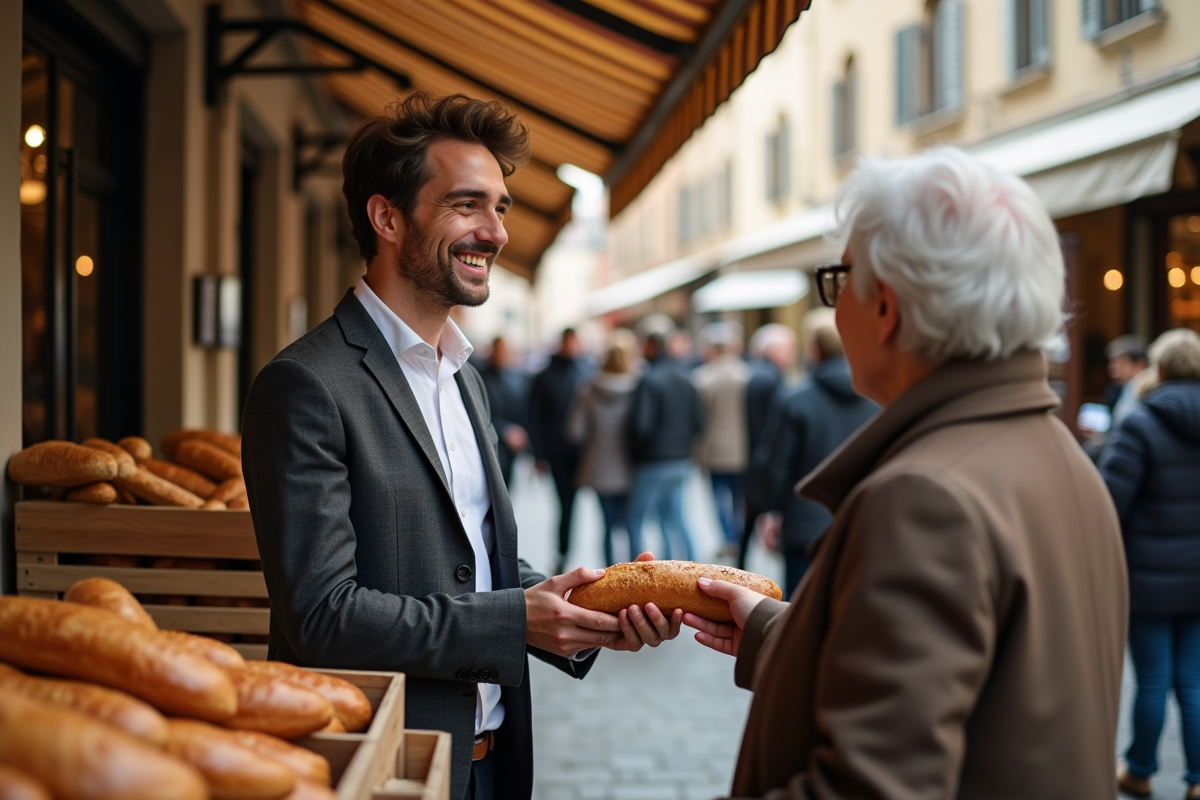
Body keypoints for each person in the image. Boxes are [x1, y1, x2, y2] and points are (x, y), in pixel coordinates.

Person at [241, 94, 680, 800]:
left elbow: (475, 561)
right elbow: (323, 617)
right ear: (387, 217)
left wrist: (581, 610)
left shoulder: (465, 377)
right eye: (467, 205)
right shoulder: (303, 385)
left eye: (501, 207)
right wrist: (517, 619)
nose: (497, 233)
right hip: (385, 770)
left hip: (491, 762)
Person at [685, 147, 1128, 799]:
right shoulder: (1057, 453)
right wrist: (775, 632)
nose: (837, 307)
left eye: (840, 281)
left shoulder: (925, 497)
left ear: (885, 308)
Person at [1099, 328, 1200, 800]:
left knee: (1154, 680)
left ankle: (1139, 770)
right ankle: (1198, 780)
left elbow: (1110, 503)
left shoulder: (1140, 423)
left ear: (1158, 369)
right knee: (1193, 679)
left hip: (1149, 577)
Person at [757, 309, 877, 595]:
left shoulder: (795, 400)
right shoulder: (876, 398)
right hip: (862, 521)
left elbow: (776, 466)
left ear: (814, 350)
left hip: (804, 526)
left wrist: (770, 512)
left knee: (799, 613)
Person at [627, 331, 704, 562]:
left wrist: (636, 451)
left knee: (635, 519)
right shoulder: (687, 377)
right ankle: (690, 568)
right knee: (675, 519)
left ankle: (635, 573)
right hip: (681, 459)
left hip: (653, 461)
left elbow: (642, 425)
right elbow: (699, 423)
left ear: (651, 347)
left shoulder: (650, 379)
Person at [566, 330, 640, 566]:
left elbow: (575, 432)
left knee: (607, 526)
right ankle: (636, 576)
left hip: (598, 469)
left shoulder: (588, 388)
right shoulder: (638, 387)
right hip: (631, 467)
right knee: (631, 524)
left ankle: (610, 577)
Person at [738, 323, 796, 569]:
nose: (792, 355)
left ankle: (739, 565)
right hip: (760, 462)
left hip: (754, 460)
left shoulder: (760, 374)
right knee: (754, 520)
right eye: (789, 349)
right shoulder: (769, 379)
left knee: (749, 523)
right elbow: (768, 431)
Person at [528, 328, 586, 574]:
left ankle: (569, 551)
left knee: (579, 505)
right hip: (557, 452)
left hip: (583, 454)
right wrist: (539, 455)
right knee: (566, 504)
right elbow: (534, 418)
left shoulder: (583, 373)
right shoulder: (544, 377)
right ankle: (564, 552)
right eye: (569, 342)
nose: (573, 346)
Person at [692, 321, 751, 561]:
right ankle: (736, 536)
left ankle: (728, 537)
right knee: (739, 498)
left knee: (718, 498)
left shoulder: (702, 378)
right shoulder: (747, 374)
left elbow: (698, 418)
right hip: (742, 448)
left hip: (714, 450)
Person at [479, 336, 529, 487]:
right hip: (491, 445)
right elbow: (480, 413)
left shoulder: (513, 377)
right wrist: (505, 430)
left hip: (510, 447)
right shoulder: (481, 377)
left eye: (505, 351)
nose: (503, 354)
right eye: (499, 350)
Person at [1106, 334, 1148, 428]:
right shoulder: (1121, 388)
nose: (1113, 367)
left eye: (1121, 362)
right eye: (1112, 361)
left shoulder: (1146, 391)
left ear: (1139, 365)